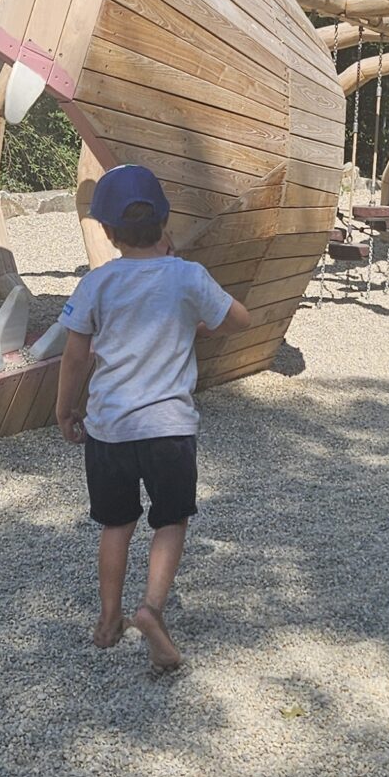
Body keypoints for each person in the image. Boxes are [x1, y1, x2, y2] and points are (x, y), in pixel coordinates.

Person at [54, 164, 250, 671]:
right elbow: (239, 321)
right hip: (169, 428)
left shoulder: (96, 284)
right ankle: (151, 607)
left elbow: (75, 357)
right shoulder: (186, 277)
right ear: (165, 226)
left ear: (107, 231)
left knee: (115, 524)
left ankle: (108, 619)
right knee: (171, 519)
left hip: (109, 428)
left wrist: (64, 408)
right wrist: (201, 324)